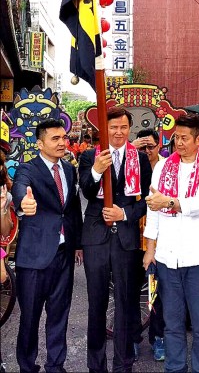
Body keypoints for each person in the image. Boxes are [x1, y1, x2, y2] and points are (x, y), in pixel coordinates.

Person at [143, 113, 199, 373]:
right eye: (176, 137)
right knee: (172, 321)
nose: (179, 142)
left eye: (185, 138)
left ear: (198, 139)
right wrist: (150, 249)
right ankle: (175, 367)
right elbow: (153, 210)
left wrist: (170, 202)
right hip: (167, 256)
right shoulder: (162, 167)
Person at [78, 106, 152, 373]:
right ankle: (96, 366)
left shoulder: (140, 160)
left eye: (123, 127)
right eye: (113, 128)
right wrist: (97, 170)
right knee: (97, 302)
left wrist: (125, 213)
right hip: (96, 236)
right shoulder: (89, 157)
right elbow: (86, 189)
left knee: (126, 301)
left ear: (128, 129)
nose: (118, 132)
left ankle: (124, 364)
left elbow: (146, 202)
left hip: (126, 238)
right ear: (104, 130)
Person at [11, 118, 83, 373]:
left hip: (63, 254)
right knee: (29, 318)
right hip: (34, 258)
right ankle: (27, 366)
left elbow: (72, 207)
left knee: (59, 315)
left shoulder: (69, 169)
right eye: (55, 139)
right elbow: (21, 190)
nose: (63, 142)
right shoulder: (27, 169)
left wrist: (78, 243)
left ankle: (56, 365)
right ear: (40, 143)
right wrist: (23, 204)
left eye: (64, 137)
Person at [132, 129, 166, 362]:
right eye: (142, 148)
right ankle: (133, 337)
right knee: (130, 292)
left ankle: (158, 338)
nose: (146, 152)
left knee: (156, 294)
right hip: (133, 241)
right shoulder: (129, 166)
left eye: (150, 147)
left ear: (159, 147)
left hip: (159, 243)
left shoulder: (167, 169)